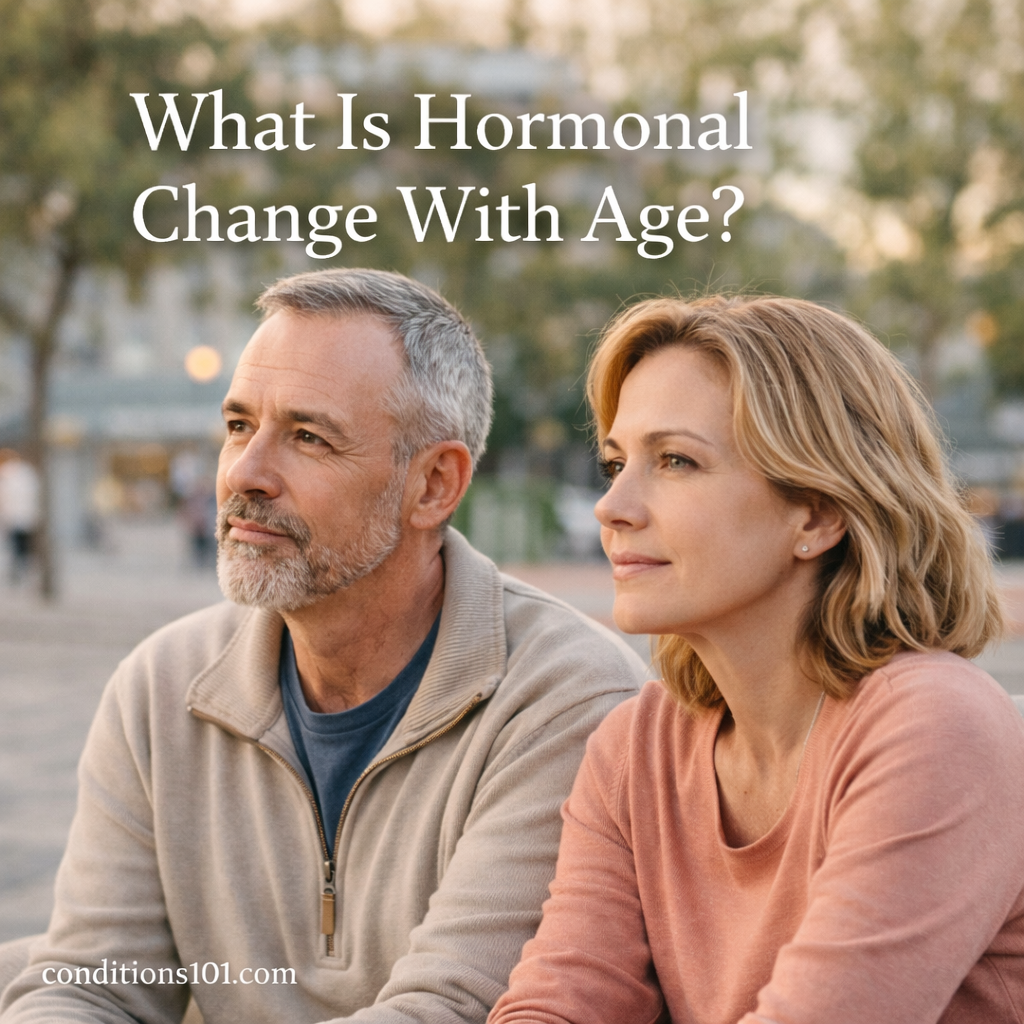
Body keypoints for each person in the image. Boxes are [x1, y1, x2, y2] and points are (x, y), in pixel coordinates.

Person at [0, 269, 646, 1024]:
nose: (245, 473)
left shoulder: (567, 699)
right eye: (239, 426)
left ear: (434, 485)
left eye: (308, 437)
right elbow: (94, 982)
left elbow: (448, 1008)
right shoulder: (161, 687)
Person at [489, 295, 1024, 1024]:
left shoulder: (935, 726)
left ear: (817, 513)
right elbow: (556, 1007)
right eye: (616, 461)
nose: (611, 505)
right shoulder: (636, 748)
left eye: (675, 461)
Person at [0, 449, 40, 583]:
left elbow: (4, 498)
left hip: (14, 517)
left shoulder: (7, 475)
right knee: (23, 547)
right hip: (26, 516)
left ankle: (19, 572)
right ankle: (23, 571)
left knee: (17, 547)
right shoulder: (27, 472)